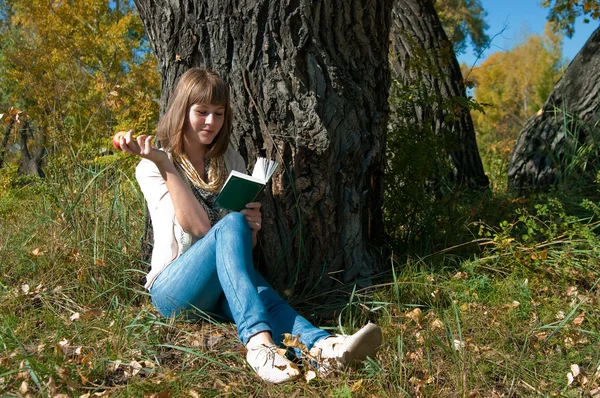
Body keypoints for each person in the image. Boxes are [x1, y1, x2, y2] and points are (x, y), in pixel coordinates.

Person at [118, 67, 382, 384]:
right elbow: (199, 229)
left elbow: (239, 251)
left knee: (262, 294)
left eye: (218, 113)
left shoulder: (230, 161)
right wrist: (164, 164)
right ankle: (258, 344)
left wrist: (252, 230)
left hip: (221, 288)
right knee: (230, 228)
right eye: (201, 112)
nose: (210, 122)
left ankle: (325, 347)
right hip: (175, 290)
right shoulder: (154, 165)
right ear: (182, 111)